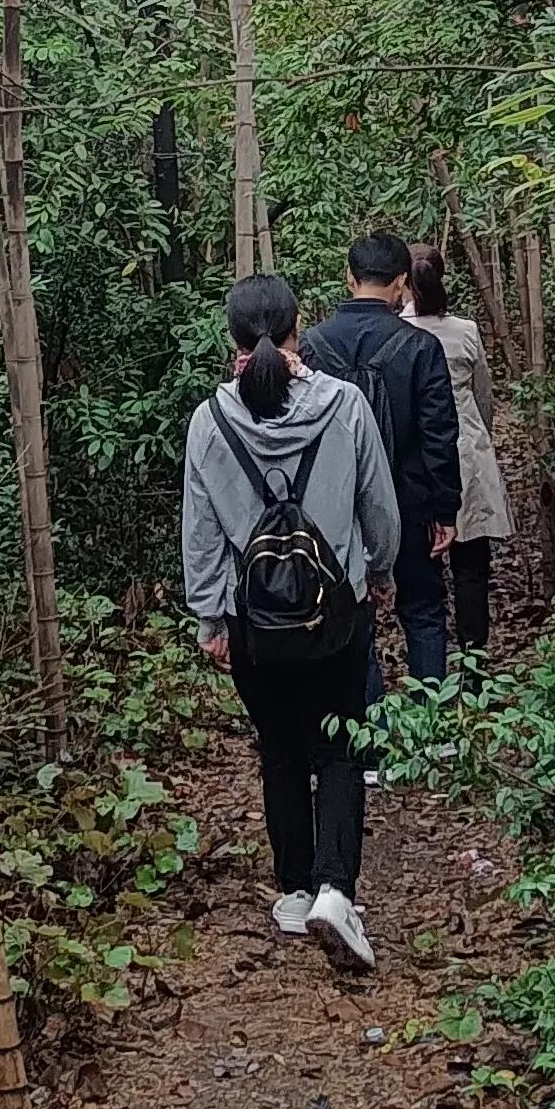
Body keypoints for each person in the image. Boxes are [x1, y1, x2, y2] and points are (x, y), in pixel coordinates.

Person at [180, 271, 401, 974]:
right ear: (298, 327)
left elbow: (202, 533)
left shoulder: (209, 422)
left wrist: (211, 617)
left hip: (253, 623)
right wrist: (380, 572)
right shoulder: (345, 405)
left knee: (279, 747)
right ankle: (337, 890)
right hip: (337, 613)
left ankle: (293, 888)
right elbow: (379, 509)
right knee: (339, 745)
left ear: (232, 337)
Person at [301, 222, 462, 694]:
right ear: (401, 284)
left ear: (349, 279)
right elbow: (439, 436)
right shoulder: (421, 347)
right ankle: (432, 736)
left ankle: (364, 748)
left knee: (352, 622)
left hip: (335, 509)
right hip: (409, 501)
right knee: (425, 610)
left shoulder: (312, 345)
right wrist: (445, 509)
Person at [404, 244, 511, 670]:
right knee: (471, 570)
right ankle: (474, 665)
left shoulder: (399, 331)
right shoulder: (464, 331)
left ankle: (430, 668)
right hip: (467, 453)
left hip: (418, 458)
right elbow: (483, 397)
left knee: (424, 571)